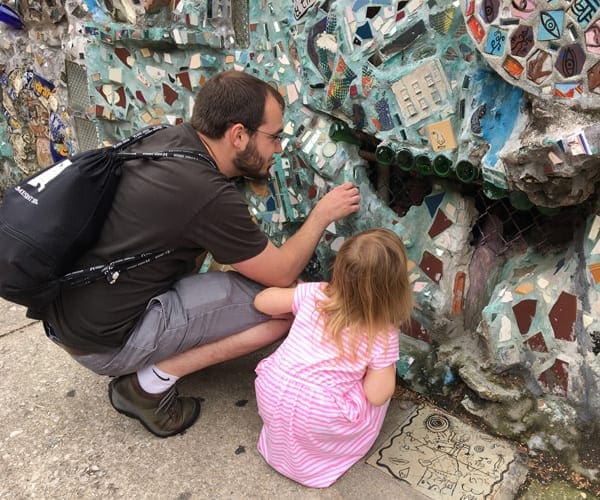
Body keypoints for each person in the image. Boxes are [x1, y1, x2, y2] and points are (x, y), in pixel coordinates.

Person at [41, 70, 361, 438]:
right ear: (238, 135)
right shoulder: (205, 194)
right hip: (104, 344)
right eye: (273, 137)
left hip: (70, 317)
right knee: (287, 306)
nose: (279, 149)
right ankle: (146, 386)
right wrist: (321, 214)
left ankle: (157, 354)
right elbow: (283, 272)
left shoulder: (164, 139)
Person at [253, 228, 413, 488]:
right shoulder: (382, 332)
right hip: (320, 414)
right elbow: (377, 394)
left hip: (272, 389)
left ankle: (287, 446)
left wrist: (295, 300)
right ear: (395, 287)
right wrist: (384, 368)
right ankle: (319, 460)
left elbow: (263, 302)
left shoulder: (316, 293)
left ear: (339, 268)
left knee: (299, 406)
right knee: (377, 392)